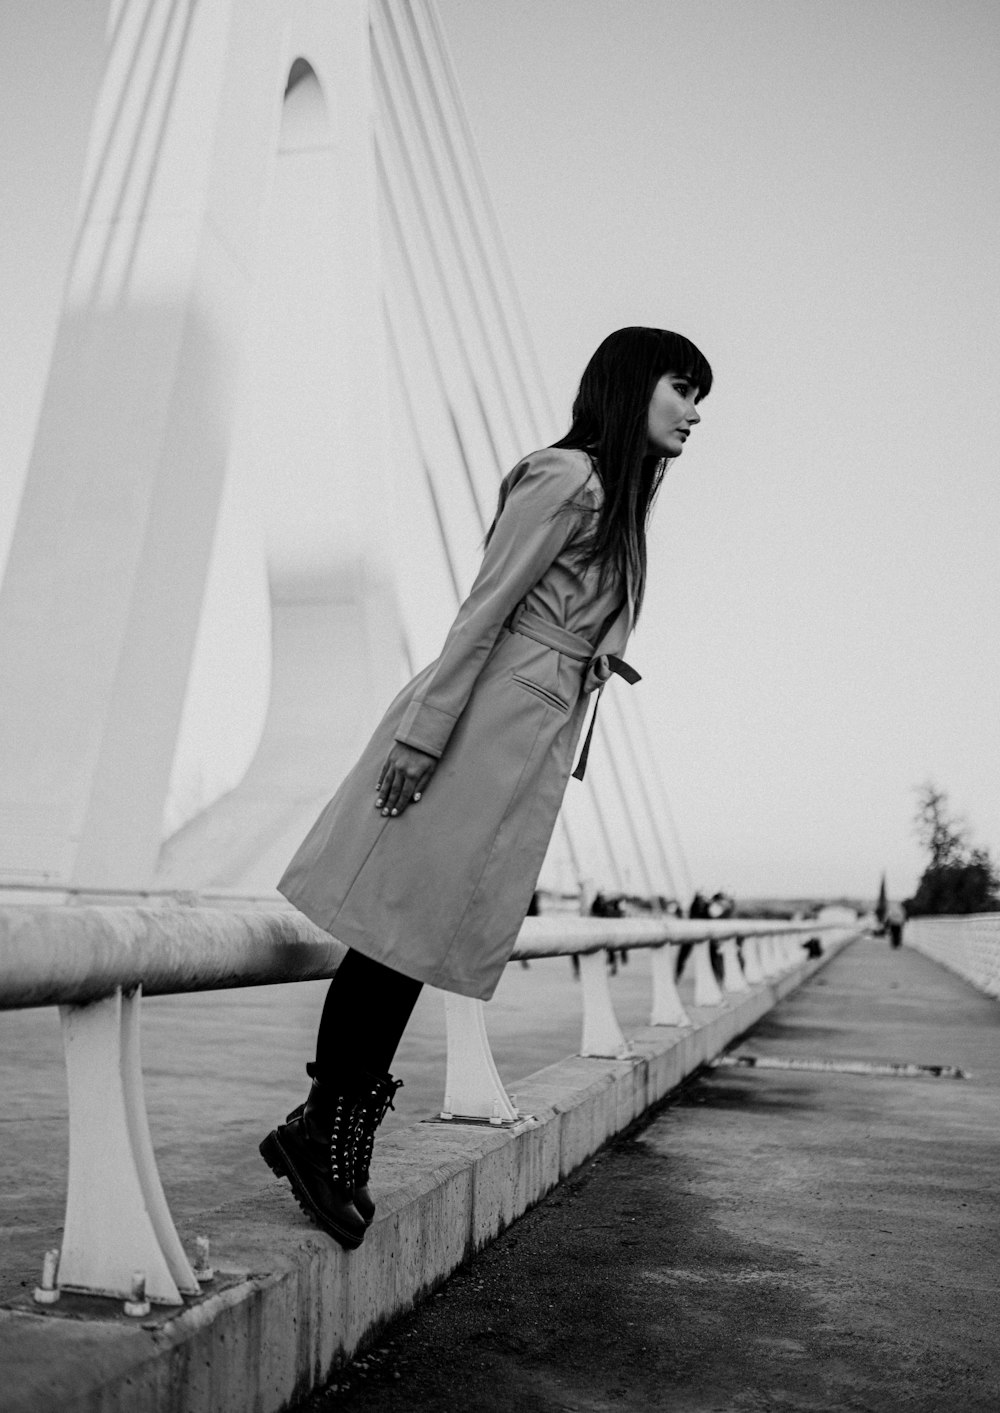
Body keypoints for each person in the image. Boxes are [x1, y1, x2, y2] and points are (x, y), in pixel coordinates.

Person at [259, 326, 712, 1249]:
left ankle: (329, 1127)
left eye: (703, 397)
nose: (696, 412)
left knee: (422, 936)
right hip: (481, 724)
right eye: (683, 387)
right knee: (396, 933)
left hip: (526, 736)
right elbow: (486, 606)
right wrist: (426, 734)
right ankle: (327, 1127)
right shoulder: (568, 478)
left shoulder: (616, 500)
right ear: (633, 385)